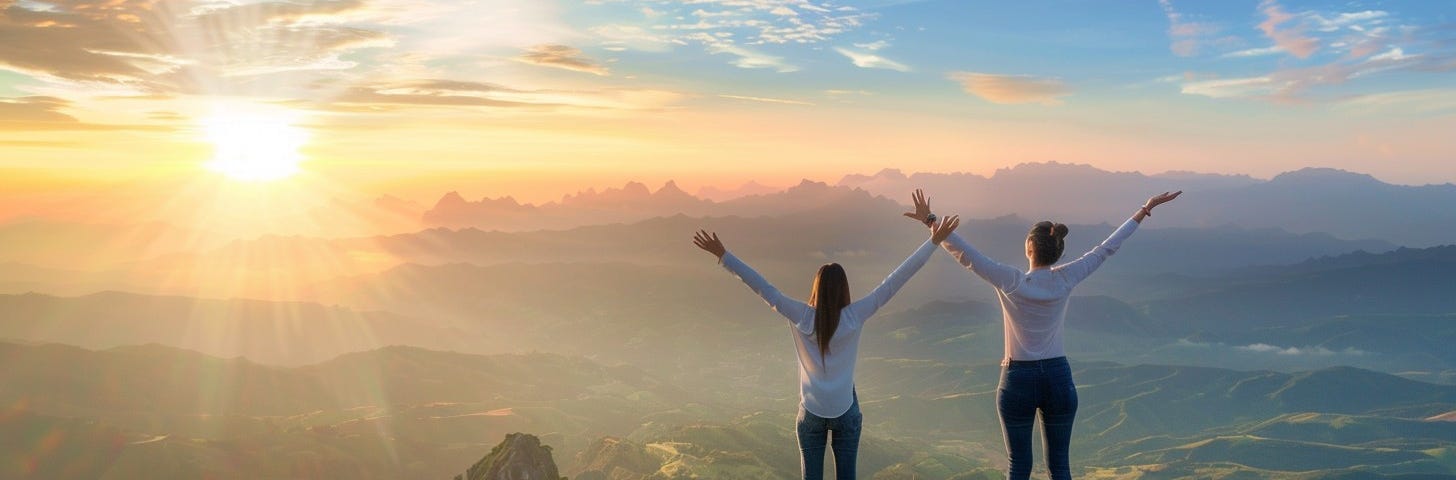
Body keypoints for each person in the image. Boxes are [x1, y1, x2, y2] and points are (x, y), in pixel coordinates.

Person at [902, 188, 1181, 480]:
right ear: (1057, 250)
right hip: (1058, 377)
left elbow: (967, 255)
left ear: (1030, 247)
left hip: (1017, 379)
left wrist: (931, 220)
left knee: (1018, 465)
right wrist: (1144, 209)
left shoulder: (1011, 281)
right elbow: (1107, 248)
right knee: (1060, 466)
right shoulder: (1066, 277)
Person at [692, 214, 960, 480]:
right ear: (844, 289)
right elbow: (894, 282)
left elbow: (762, 287)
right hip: (845, 410)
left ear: (816, 288)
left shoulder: (801, 316)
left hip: (811, 412)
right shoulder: (855, 316)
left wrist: (724, 256)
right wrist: (933, 242)